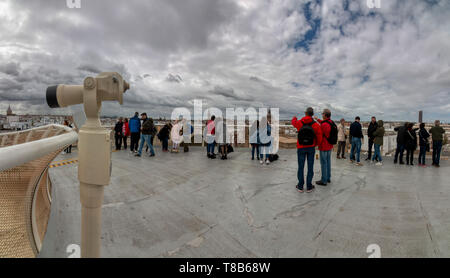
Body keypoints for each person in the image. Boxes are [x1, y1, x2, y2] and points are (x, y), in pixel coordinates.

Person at [291, 107, 323, 193]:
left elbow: (293, 123)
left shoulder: (299, 122)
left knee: (301, 167)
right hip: (311, 147)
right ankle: (309, 186)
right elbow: (319, 137)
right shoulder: (315, 125)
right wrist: (315, 144)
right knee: (310, 167)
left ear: (305, 113)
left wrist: (294, 117)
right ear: (312, 114)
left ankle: (300, 186)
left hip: (301, 147)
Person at [314, 109, 334, 186]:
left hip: (323, 146)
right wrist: (317, 119)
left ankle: (324, 180)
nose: (322, 115)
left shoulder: (323, 125)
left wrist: (317, 144)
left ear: (325, 115)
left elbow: (319, 135)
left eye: (322, 114)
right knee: (328, 162)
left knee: (323, 163)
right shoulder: (331, 122)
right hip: (329, 146)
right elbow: (324, 122)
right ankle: (328, 178)